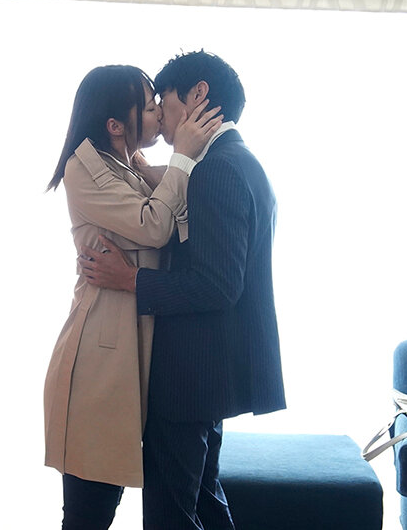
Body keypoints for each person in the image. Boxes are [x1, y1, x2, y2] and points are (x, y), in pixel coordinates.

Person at [80, 51, 286, 530]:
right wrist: (159, 170)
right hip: (209, 372)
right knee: (204, 503)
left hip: (190, 376)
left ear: (197, 94)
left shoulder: (218, 170)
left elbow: (217, 284)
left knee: (172, 514)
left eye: (164, 98)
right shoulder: (232, 160)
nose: (159, 112)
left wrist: (130, 279)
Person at [44, 64, 223, 530]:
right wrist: (181, 157)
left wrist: (176, 159)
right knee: (89, 511)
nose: (159, 112)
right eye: (147, 107)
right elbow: (154, 225)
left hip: (133, 344)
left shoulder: (125, 164)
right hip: (101, 357)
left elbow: (176, 205)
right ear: (115, 124)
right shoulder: (84, 167)